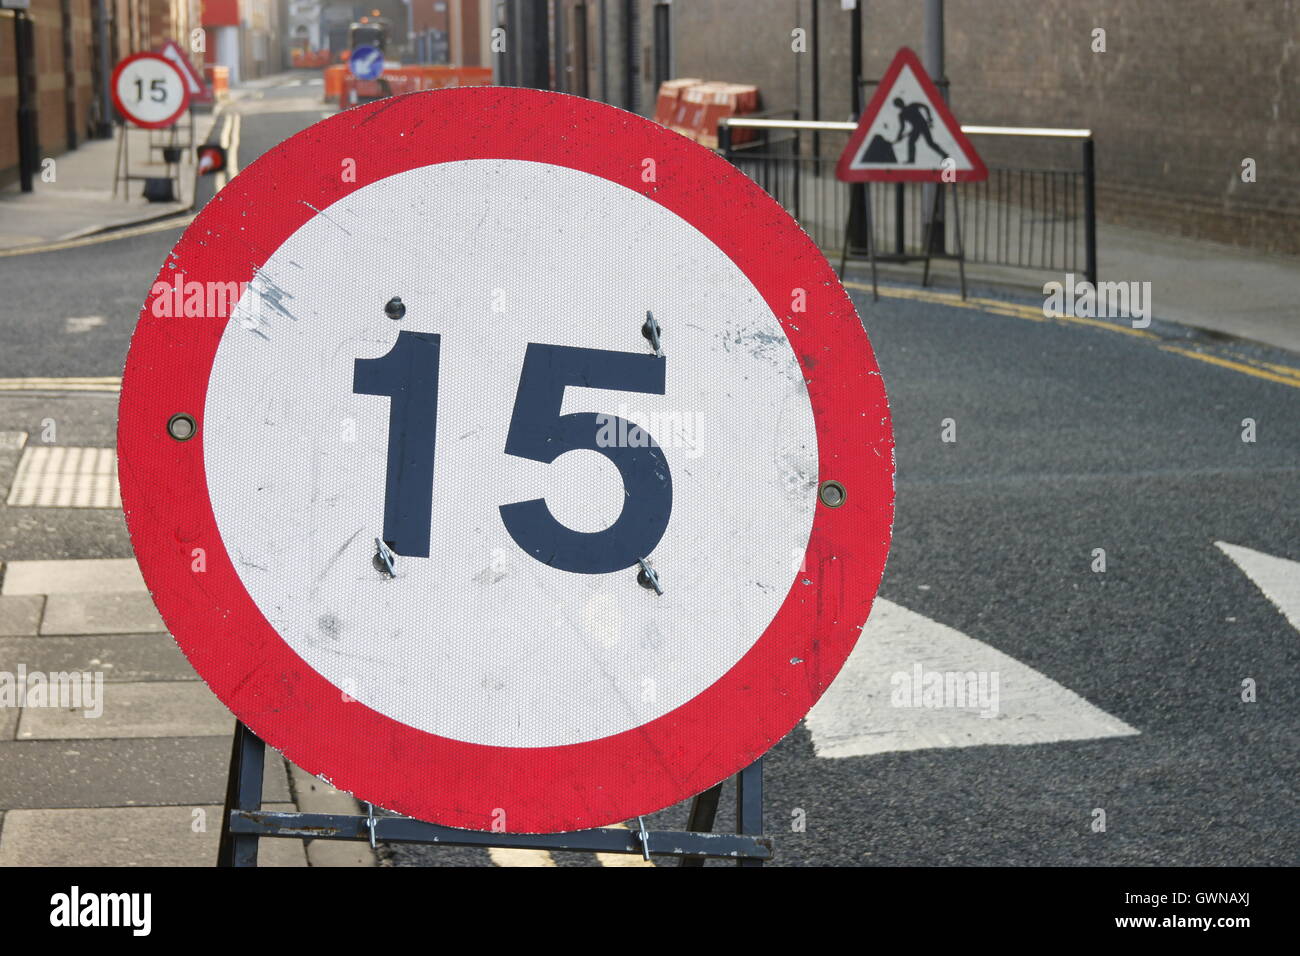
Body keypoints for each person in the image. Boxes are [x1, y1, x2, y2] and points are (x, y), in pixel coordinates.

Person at [892, 97, 949, 164]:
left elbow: (926, 107)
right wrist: (899, 136)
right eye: (898, 104)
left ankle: (944, 154)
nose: (900, 105)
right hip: (917, 128)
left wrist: (929, 118)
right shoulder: (902, 114)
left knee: (928, 143)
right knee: (914, 142)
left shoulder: (912, 106)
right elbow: (902, 127)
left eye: (899, 104)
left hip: (922, 126)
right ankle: (911, 160)